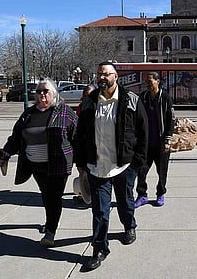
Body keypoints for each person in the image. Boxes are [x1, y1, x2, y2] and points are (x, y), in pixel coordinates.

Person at [75, 61, 148, 271]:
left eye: (106, 74)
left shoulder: (131, 100)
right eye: (99, 74)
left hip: (124, 165)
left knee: (125, 201)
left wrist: (137, 162)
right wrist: (82, 163)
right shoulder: (89, 102)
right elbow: (80, 135)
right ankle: (99, 249)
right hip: (97, 166)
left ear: (116, 76)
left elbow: (144, 132)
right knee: (99, 210)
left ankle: (129, 226)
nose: (102, 77)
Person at [0, 78, 78, 247]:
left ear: (54, 94)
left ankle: (50, 232)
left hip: (58, 164)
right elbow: (16, 136)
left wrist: (84, 163)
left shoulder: (65, 112)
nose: (42, 94)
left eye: (45, 91)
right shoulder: (28, 113)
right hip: (35, 165)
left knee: (54, 197)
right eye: (39, 91)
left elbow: (77, 138)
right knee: (46, 195)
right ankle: (50, 222)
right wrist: (5, 154)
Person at [135, 72, 175, 208]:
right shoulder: (143, 97)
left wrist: (168, 139)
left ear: (158, 82)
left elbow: (171, 120)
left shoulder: (165, 98)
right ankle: (142, 195)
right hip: (145, 144)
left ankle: (160, 193)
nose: (148, 84)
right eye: (147, 81)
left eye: (150, 81)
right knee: (141, 171)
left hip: (161, 143)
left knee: (162, 171)